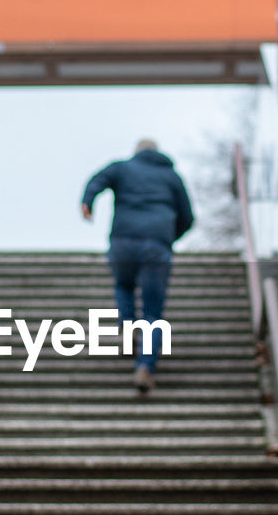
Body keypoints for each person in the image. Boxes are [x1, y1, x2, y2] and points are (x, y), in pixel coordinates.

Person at [81, 139, 194, 395]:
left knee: (124, 284)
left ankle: (127, 325)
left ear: (137, 153)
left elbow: (97, 181)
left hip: (123, 242)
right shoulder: (172, 177)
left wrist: (87, 203)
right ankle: (145, 366)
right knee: (153, 312)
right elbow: (188, 217)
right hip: (156, 247)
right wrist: (167, 237)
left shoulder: (122, 168)